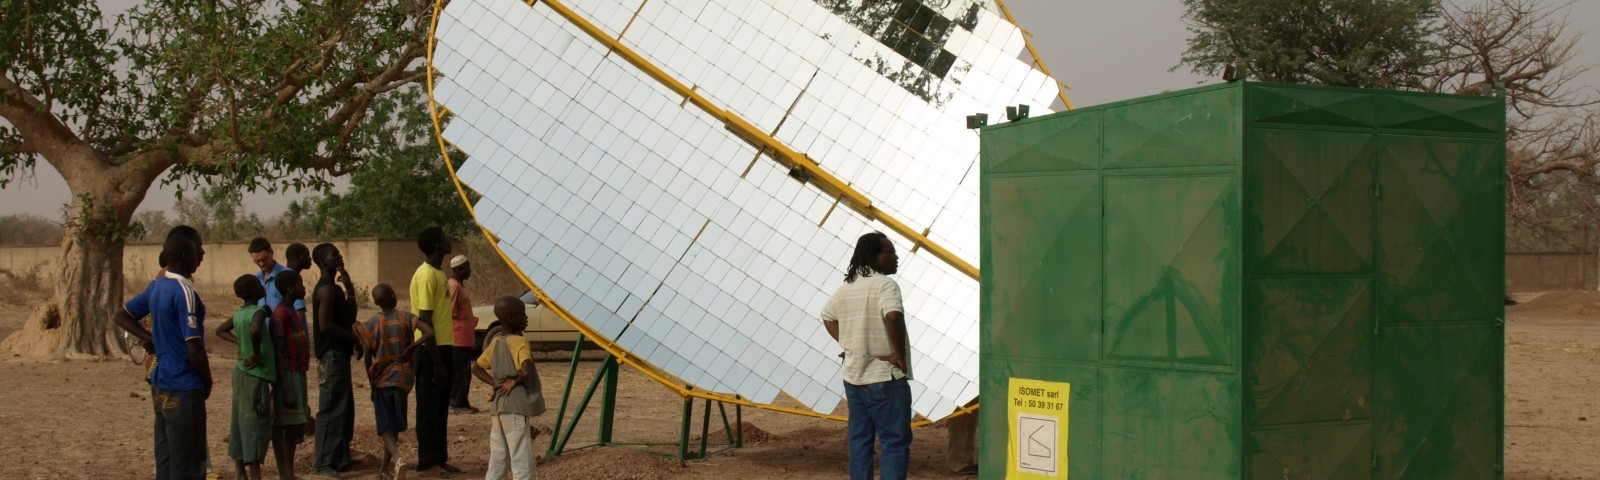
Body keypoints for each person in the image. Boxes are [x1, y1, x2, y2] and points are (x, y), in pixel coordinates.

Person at [114, 234, 212, 480]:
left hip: (161, 382)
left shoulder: (156, 287)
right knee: (188, 461)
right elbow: (194, 346)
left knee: (166, 457)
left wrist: (150, 339)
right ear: (185, 256)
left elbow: (122, 316)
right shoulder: (184, 292)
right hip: (184, 383)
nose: (201, 256)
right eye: (197, 250)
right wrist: (207, 380)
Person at [821, 232, 914, 480]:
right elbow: (893, 316)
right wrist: (899, 354)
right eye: (890, 251)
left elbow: (827, 316)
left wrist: (849, 343)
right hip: (884, 378)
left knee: (860, 441)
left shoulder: (846, 287)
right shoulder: (885, 285)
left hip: (854, 378)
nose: (896, 257)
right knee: (894, 441)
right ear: (875, 256)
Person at [356, 284, 436, 480]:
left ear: (376, 303)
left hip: (382, 380)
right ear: (393, 296)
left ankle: (398, 458)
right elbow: (429, 332)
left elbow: (367, 357)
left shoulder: (372, 323)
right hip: (403, 380)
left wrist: (372, 385)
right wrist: (412, 347)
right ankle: (385, 468)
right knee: (392, 427)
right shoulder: (406, 317)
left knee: (385, 427)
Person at [471, 296, 544, 480]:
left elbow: (476, 368)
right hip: (515, 406)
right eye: (523, 315)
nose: (526, 319)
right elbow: (526, 370)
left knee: (498, 458)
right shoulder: (520, 342)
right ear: (511, 318)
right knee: (521, 459)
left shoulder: (495, 341)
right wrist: (515, 381)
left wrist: (496, 384)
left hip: (498, 406)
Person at [410, 226, 461, 477]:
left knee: (441, 408)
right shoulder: (426, 275)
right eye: (444, 237)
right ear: (438, 245)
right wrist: (437, 362)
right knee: (428, 409)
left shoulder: (439, 273)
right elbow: (425, 320)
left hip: (444, 347)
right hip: (430, 350)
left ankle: (440, 458)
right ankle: (426, 461)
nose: (448, 240)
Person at [312, 243, 364, 476]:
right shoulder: (325, 290)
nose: (339, 257)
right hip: (331, 357)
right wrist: (353, 337)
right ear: (323, 261)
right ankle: (322, 463)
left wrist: (350, 287)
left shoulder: (336, 289)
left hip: (339, 356)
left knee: (344, 408)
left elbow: (349, 316)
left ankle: (340, 458)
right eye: (335, 255)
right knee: (330, 408)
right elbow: (325, 325)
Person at [218, 275, 276, 480]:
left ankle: (240, 472)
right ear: (253, 291)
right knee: (255, 424)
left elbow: (220, 330)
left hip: (240, 372)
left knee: (239, 421)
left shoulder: (239, 313)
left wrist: (240, 344)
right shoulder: (257, 312)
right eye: (259, 285)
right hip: (255, 374)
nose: (263, 287)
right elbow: (255, 328)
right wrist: (256, 352)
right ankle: (255, 475)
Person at [269, 270, 312, 480]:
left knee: (294, 426)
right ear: (290, 289)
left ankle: (289, 471)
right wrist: (286, 388)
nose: (304, 288)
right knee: (283, 425)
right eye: (300, 284)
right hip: (287, 374)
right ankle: (283, 472)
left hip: (298, 372)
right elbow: (278, 351)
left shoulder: (292, 311)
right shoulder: (280, 314)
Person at [447, 255, 480, 414]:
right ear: (460, 270)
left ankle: (463, 402)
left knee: (465, 371)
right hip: (458, 338)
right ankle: (455, 403)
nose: (470, 270)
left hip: (464, 337)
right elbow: (450, 312)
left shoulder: (459, 286)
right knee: (459, 372)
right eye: (467, 267)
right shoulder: (454, 287)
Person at [250, 237, 304, 313]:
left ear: (271, 252)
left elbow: (299, 311)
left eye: (264, 259)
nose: (261, 264)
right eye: (257, 261)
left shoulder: (288, 276)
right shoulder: (257, 278)